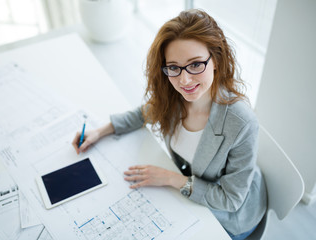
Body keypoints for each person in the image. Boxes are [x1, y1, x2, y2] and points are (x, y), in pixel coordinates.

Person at [72, 9, 267, 240]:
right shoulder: (174, 96)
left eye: (195, 65)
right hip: (191, 193)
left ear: (216, 60)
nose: (184, 80)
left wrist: (170, 178)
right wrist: (100, 131)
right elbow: (144, 113)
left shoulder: (241, 122)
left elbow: (231, 200)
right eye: (173, 67)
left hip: (230, 218)